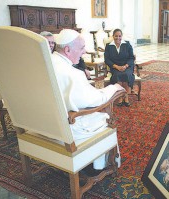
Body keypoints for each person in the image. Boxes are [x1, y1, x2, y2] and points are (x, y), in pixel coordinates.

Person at [51, 29, 125, 175]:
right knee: (104, 120)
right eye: (82, 48)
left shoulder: (46, 62)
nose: (84, 52)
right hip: (66, 132)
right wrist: (113, 88)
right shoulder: (72, 74)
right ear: (67, 49)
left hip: (45, 126)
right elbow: (95, 100)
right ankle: (97, 167)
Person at [104, 29, 135, 107]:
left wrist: (125, 66)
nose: (118, 38)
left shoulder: (127, 44)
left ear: (122, 36)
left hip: (127, 66)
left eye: (119, 36)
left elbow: (131, 58)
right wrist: (116, 66)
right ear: (113, 36)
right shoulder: (108, 46)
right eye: (116, 36)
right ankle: (120, 97)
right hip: (115, 67)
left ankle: (126, 96)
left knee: (126, 74)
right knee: (118, 75)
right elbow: (107, 59)